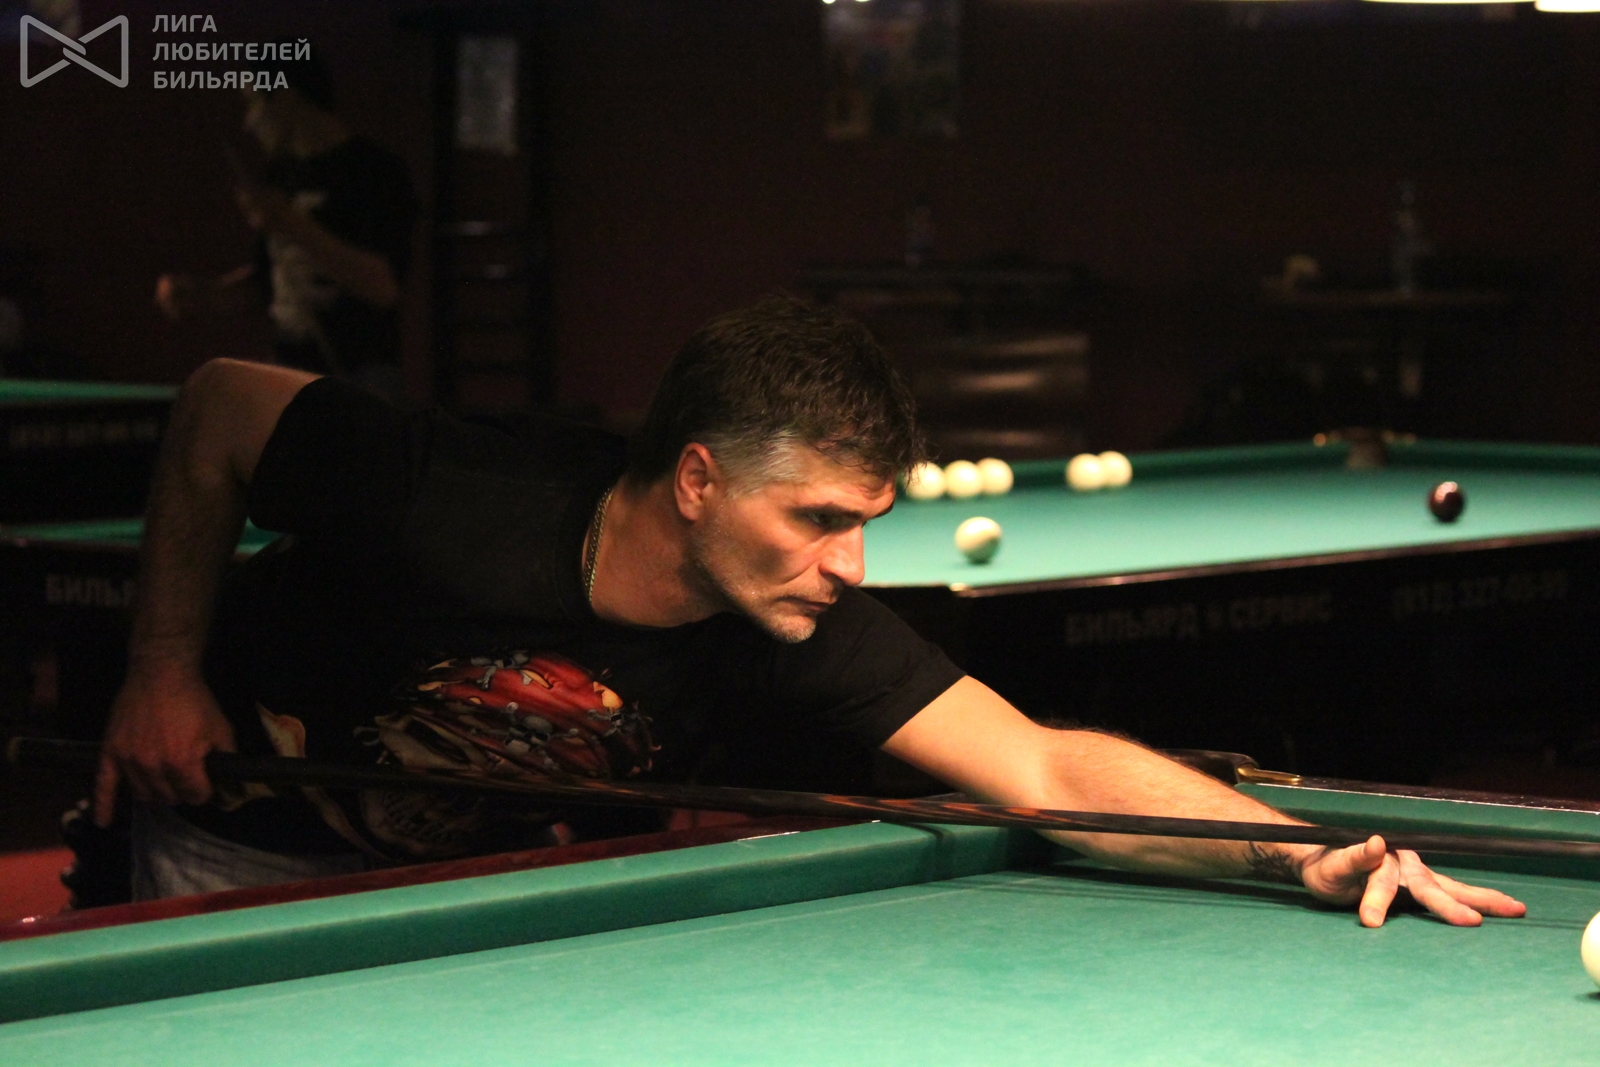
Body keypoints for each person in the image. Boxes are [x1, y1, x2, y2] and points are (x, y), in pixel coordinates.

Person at [94, 298, 1525, 927]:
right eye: (819, 517)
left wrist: (1297, 851)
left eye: (864, 522)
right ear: (698, 480)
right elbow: (220, 405)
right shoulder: (452, 485)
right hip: (239, 838)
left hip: (479, 889)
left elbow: (1040, 762)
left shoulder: (796, 617)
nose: (849, 562)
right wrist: (163, 668)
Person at [154, 49, 417, 401]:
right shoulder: (280, 175)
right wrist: (204, 295)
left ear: (287, 97)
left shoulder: (375, 172)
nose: (249, 122)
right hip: (287, 369)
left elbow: (383, 286)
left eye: (255, 103)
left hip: (361, 374)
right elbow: (269, 279)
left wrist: (293, 225)